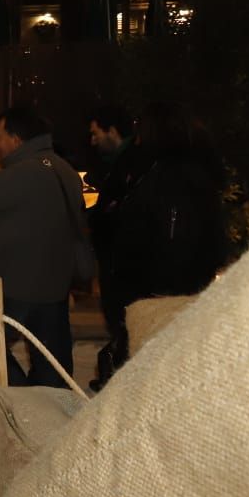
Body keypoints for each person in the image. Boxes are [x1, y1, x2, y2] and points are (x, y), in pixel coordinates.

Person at [0, 105, 85, 389]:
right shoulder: (64, 170)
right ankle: (49, 407)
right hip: (56, 283)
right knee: (50, 358)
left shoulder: (20, 174)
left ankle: (22, 397)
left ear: (16, 139)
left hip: (18, 284)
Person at [105, 102, 226, 381]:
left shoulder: (166, 178)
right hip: (183, 288)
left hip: (160, 293)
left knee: (155, 371)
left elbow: (155, 237)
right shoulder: (198, 176)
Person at [84, 104, 150, 387]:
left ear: (112, 130)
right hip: (119, 261)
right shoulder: (118, 163)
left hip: (123, 264)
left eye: (96, 132)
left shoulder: (129, 164)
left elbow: (118, 214)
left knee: (127, 329)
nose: (92, 140)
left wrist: (97, 216)